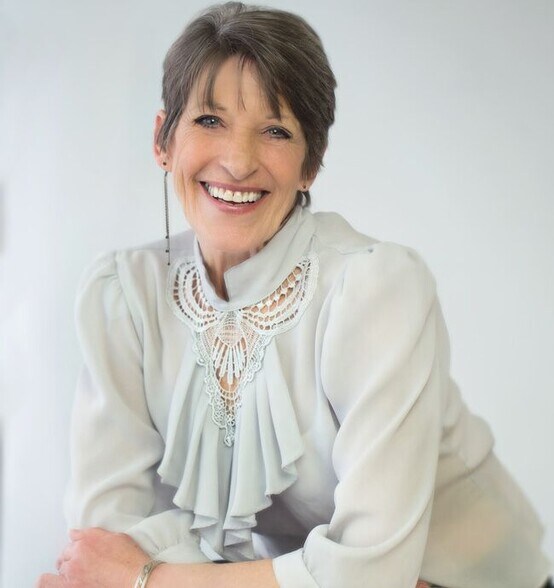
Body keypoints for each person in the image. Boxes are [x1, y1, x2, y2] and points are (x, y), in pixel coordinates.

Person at [38, 2, 551, 587]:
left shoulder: (373, 289)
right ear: (163, 140)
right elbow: (104, 544)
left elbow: (372, 573)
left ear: (311, 164)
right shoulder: (124, 296)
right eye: (209, 120)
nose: (238, 162)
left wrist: (150, 579)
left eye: (276, 130)